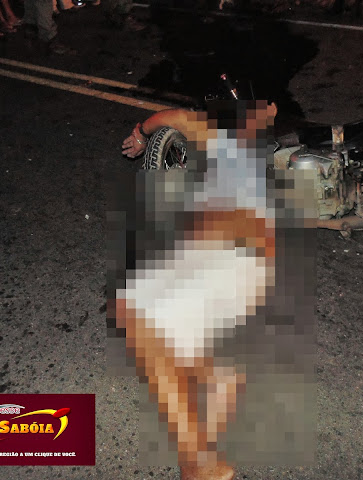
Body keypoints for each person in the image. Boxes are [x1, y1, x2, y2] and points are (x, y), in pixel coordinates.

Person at [116, 101, 278, 480]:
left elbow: (171, 118)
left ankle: (199, 464)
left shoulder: (209, 135)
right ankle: (206, 458)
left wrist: (139, 134)